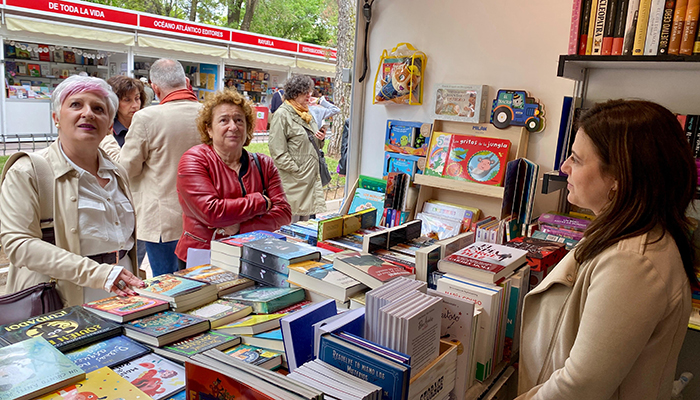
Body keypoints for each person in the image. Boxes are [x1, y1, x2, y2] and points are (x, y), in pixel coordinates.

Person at [517, 99, 697, 400]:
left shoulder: (632, 262)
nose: (564, 167)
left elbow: (580, 385)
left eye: (577, 159)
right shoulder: (624, 231)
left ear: (618, 178)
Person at [0, 75, 145, 308]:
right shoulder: (28, 171)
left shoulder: (117, 172)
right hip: (61, 304)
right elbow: (18, 244)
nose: (88, 113)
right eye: (76, 104)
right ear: (56, 118)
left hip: (122, 298)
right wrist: (99, 274)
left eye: (99, 108)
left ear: (110, 124)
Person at [175, 90, 291, 263]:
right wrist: (261, 202)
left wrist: (240, 228)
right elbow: (211, 212)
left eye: (239, 120)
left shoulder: (264, 164)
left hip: (252, 256)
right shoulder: (194, 160)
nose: (233, 127)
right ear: (209, 129)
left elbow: (284, 213)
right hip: (204, 257)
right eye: (224, 120)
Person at [119, 59, 202, 277]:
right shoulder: (209, 114)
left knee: (167, 283)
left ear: (155, 88)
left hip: (163, 222)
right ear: (186, 82)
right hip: (203, 217)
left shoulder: (146, 118)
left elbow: (126, 169)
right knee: (200, 280)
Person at [268, 75, 327, 222]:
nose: (309, 95)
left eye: (309, 91)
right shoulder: (282, 115)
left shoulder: (306, 113)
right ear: (294, 93)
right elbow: (277, 151)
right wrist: (297, 170)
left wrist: (320, 138)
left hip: (309, 180)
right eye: (305, 92)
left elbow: (314, 144)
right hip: (294, 183)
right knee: (291, 225)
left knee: (306, 226)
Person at [99, 76, 147, 161]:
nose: (135, 105)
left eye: (137, 98)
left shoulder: (146, 125)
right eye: (127, 100)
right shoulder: (106, 129)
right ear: (114, 102)